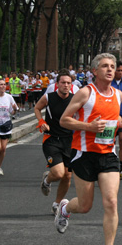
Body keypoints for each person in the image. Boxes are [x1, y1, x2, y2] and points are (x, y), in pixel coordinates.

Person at [57, 53, 122, 245]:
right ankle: (64, 209)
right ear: (94, 71)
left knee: (111, 201)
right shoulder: (85, 93)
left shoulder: (118, 94)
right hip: (84, 153)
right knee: (85, 205)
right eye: (105, 66)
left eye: (112, 66)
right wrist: (88, 127)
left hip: (108, 153)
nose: (110, 70)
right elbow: (64, 120)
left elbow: (114, 119)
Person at [34, 70, 74, 214]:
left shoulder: (75, 99)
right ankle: (47, 180)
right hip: (52, 139)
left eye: (68, 83)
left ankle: (57, 204)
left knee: (68, 175)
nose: (66, 85)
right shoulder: (49, 97)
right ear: (57, 84)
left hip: (70, 140)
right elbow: (37, 108)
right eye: (63, 82)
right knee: (58, 173)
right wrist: (41, 122)